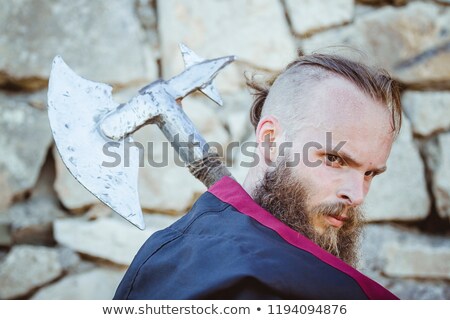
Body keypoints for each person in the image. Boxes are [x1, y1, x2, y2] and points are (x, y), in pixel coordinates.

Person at [114, 51, 401, 299]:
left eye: (370, 173)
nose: (358, 195)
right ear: (271, 140)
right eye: (334, 159)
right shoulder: (232, 287)